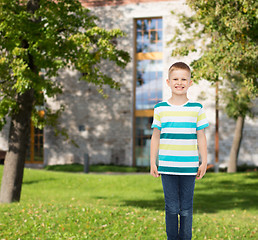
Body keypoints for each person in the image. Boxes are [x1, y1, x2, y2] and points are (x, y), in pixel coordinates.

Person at [150, 62, 209, 240]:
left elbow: (201, 137)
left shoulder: (196, 109)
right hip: (167, 168)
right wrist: (153, 161)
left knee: (186, 209)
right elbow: (155, 136)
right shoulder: (160, 108)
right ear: (168, 82)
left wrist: (204, 161)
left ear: (190, 83)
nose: (179, 82)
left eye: (184, 79)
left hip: (189, 168)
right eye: (175, 79)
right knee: (171, 208)